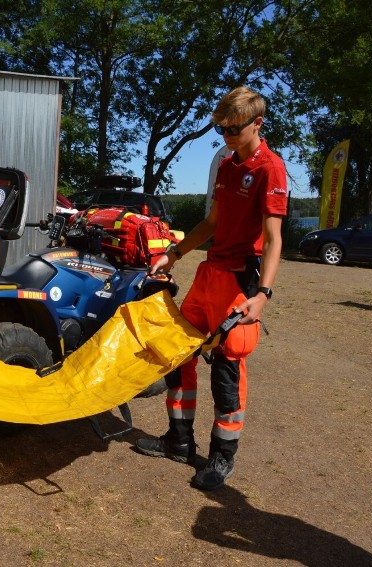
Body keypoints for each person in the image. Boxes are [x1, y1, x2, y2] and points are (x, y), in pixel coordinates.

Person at [135, 86, 287, 490]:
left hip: (241, 282)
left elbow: (274, 239)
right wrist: (175, 253)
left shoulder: (271, 167)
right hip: (211, 273)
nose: (227, 137)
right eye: (221, 130)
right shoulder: (226, 164)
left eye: (234, 129)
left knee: (227, 367)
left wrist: (263, 295)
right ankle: (178, 442)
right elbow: (213, 223)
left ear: (258, 122)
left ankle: (222, 457)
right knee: (179, 353)